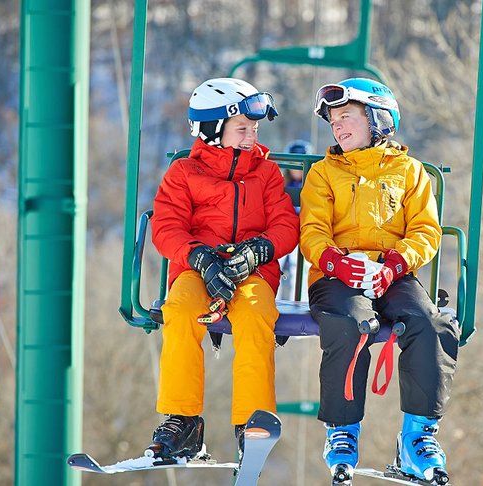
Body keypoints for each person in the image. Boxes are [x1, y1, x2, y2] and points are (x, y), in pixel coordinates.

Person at [299, 78, 460, 484]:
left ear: (378, 119)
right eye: (333, 121)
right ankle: (342, 430)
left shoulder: (409, 172)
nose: (338, 127)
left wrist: (394, 264)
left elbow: (426, 230)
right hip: (338, 276)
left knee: (432, 322)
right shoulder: (324, 174)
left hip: (393, 273)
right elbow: (312, 229)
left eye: (347, 117)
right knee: (350, 323)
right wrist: (335, 261)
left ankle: (418, 436)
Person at [147, 77, 299, 462]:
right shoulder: (184, 173)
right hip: (196, 269)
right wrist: (198, 257)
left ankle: (252, 420)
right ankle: (182, 421)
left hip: (251, 272)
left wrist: (259, 250)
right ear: (214, 131)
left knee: (255, 315)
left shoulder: (264, 173)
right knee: (179, 312)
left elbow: (285, 225)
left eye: (255, 129)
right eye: (242, 129)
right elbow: (166, 226)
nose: (252, 137)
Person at [279, 139, 313, 300]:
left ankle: (298, 301)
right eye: (294, 162)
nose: (297, 167)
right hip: (285, 228)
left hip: (304, 230)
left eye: (300, 162)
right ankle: (274, 300)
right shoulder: (282, 182)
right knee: (276, 262)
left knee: (298, 268)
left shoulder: (313, 181)